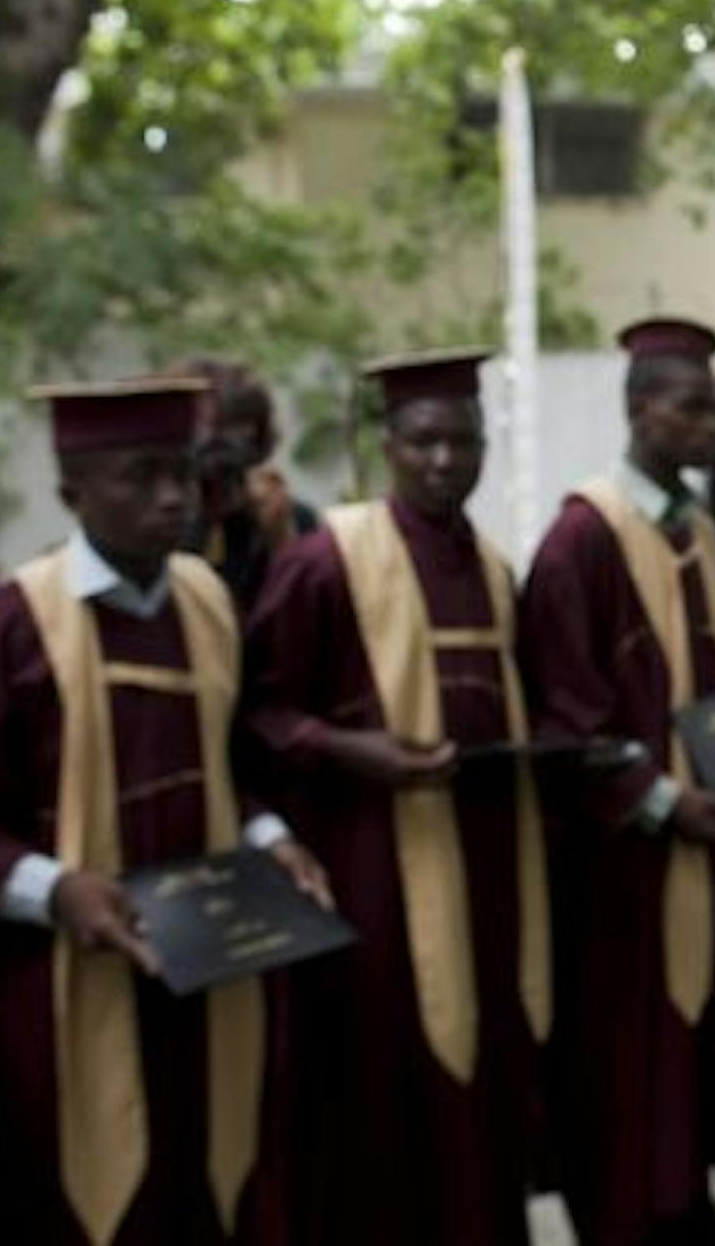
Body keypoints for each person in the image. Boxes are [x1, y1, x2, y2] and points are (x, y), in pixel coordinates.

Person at [0, 377, 328, 1246]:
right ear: (71, 492)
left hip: (209, 968)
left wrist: (274, 836)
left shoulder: (211, 602)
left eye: (183, 474)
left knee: (209, 1181)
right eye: (140, 477)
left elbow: (238, 761)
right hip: (61, 984)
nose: (174, 497)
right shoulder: (5, 628)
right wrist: (56, 888)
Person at [240, 348, 548, 1245]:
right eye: (424, 440)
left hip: (489, 872)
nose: (445, 459)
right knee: (382, 1104)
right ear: (388, 445)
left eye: (464, 438)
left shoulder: (493, 570)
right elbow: (256, 713)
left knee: (482, 1092)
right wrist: (345, 748)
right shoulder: (325, 559)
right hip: (370, 877)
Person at [519, 317, 715, 1244]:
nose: (711, 426)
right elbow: (564, 719)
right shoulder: (581, 539)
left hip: (706, 839)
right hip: (622, 860)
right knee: (626, 1059)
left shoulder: (698, 531)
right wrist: (666, 800)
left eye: (714, 408)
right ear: (640, 410)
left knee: (696, 1048)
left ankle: (683, 1199)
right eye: (692, 408)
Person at [176, 358, 319, 616]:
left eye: (243, 430)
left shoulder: (289, 518)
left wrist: (281, 540)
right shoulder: (160, 522)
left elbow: (308, 621)